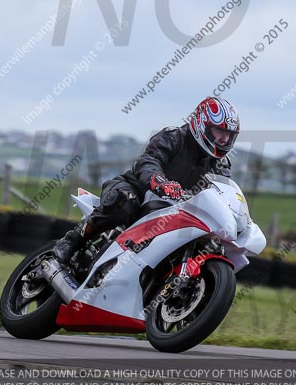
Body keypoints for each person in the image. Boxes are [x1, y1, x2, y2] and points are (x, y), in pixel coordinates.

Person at [52, 96, 240, 265]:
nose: (224, 139)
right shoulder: (173, 137)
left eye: (229, 135)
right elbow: (149, 161)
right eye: (219, 132)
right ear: (202, 124)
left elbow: (224, 191)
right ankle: (73, 239)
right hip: (137, 189)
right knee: (124, 201)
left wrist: (235, 215)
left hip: (175, 210)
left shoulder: (221, 164)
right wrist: (160, 182)